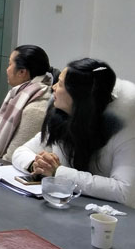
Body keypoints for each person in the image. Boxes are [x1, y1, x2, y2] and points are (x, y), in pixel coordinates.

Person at [12, 58, 135, 208]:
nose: (53, 87)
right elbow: (21, 152)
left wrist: (58, 173)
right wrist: (37, 165)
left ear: (78, 95)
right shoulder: (61, 116)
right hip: (71, 206)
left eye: (60, 84)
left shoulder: (125, 129)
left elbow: (125, 191)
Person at [0, 45, 53, 161]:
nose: (7, 69)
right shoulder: (23, 95)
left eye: (9, 64)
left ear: (22, 72)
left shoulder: (35, 108)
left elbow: (12, 158)